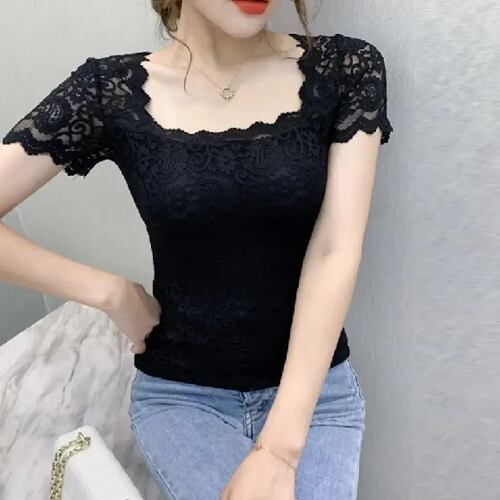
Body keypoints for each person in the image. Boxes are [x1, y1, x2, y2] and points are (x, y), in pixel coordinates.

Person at [0, 0, 393, 498]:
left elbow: (335, 247)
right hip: (182, 397)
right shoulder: (110, 90)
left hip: (315, 394)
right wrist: (109, 292)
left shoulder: (346, 69)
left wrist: (279, 450)